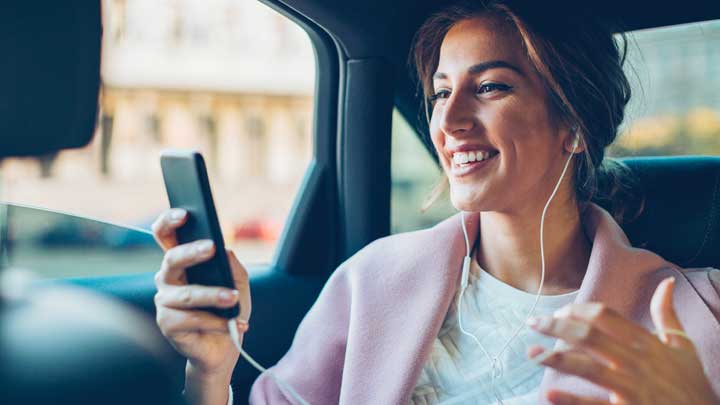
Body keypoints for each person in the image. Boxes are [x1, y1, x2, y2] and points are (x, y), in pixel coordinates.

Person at [151, 1, 720, 404]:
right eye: (441, 92)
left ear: (573, 122)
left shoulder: (700, 312)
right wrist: (210, 371)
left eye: (491, 86)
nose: (447, 122)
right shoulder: (371, 281)